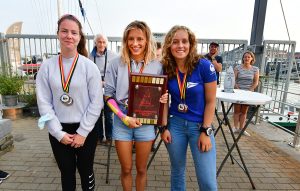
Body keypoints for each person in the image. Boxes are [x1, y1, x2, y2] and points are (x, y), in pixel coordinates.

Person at [36, 14, 103, 191]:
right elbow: (44, 103)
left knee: (86, 170)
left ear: (79, 37)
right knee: (66, 172)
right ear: (58, 33)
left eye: (74, 32)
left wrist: (82, 132)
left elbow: (96, 103)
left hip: (86, 129)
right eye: (64, 31)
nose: (69, 36)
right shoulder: (47, 67)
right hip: (59, 129)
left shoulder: (89, 67)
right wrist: (58, 133)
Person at [104, 20, 168, 191]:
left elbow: (162, 93)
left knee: (141, 169)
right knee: (126, 169)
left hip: (146, 121)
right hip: (122, 119)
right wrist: (123, 117)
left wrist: (163, 98)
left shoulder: (157, 65)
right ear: (125, 41)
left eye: (140, 39)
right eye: (130, 39)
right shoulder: (115, 64)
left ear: (147, 40)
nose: (135, 43)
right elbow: (108, 96)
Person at [160, 25, 218, 191]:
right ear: (169, 45)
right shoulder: (166, 67)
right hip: (175, 125)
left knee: (207, 181)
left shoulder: (204, 66)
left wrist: (205, 131)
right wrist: (163, 127)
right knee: (177, 172)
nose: (180, 46)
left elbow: (211, 101)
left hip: (199, 127)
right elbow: (163, 101)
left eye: (184, 41)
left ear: (191, 44)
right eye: (175, 42)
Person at [89, 34, 117, 144]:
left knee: (109, 115)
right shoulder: (89, 56)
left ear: (106, 43)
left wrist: (107, 82)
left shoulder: (113, 56)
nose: (101, 44)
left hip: (108, 89)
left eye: (104, 42)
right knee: (97, 115)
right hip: (95, 89)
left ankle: (109, 137)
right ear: (95, 43)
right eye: (99, 42)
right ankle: (98, 137)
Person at [233, 51, 259, 136]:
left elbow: (256, 82)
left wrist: (251, 90)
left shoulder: (255, 69)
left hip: (248, 92)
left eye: (248, 57)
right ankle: (235, 128)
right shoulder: (237, 68)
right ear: (243, 58)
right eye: (245, 57)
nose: (246, 58)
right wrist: (238, 89)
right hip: (238, 91)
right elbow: (233, 79)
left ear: (252, 58)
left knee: (244, 111)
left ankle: (242, 129)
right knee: (237, 110)